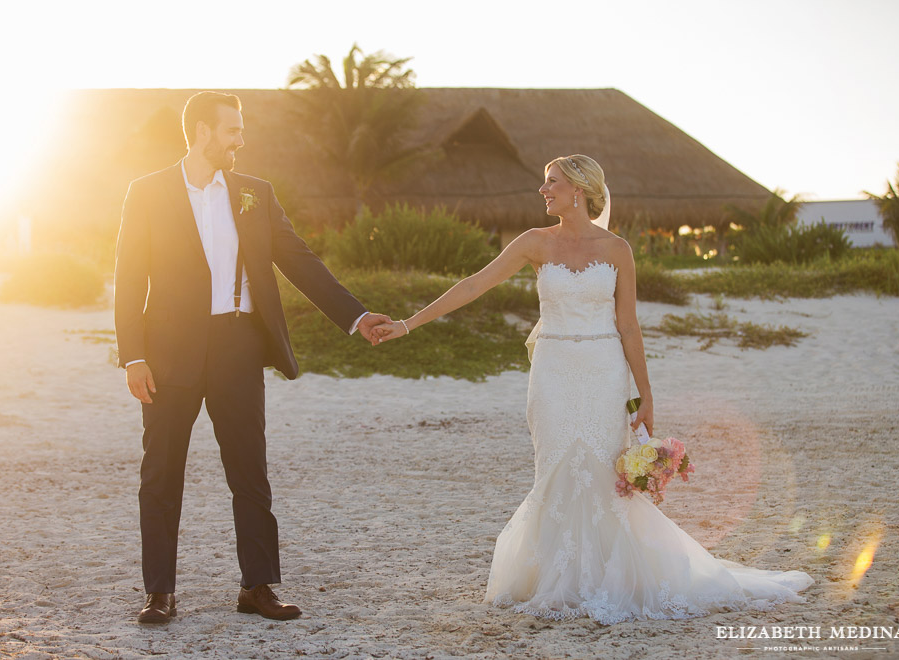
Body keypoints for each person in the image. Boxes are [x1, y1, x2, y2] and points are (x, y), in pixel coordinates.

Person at [372, 155, 813, 623]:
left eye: (552, 183)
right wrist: (408, 324)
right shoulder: (533, 243)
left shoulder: (618, 249)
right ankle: (555, 576)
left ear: (578, 190)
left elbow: (628, 325)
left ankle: (611, 576)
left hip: (605, 371)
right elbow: (473, 285)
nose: (543, 190)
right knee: (557, 465)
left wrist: (644, 394)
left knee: (604, 472)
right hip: (553, 371)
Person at [114, 91, 390, 624]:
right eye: (232, 130)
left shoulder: (254, 194)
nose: (241, 140)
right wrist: (133, 357)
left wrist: (357, 317)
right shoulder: (147, 192)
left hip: (239, 346)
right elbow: (129, 280)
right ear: (200, 132)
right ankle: (160, 592)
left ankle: (257, 586)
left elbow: (299, 260)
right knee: (161, 473)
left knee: (250, 472)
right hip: (169, 352)